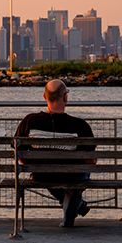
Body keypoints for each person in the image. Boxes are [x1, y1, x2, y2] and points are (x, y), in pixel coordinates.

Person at [14, 79, 95, 228]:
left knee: (49, 172)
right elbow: (90, 161)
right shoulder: (80, 125)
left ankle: (75, 204)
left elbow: (21, 157)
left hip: (41, 175)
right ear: (65, 97)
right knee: (83, 174)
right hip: (73, 176)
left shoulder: (29, 121)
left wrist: (36, 163)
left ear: (45, 97)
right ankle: (75, 204)